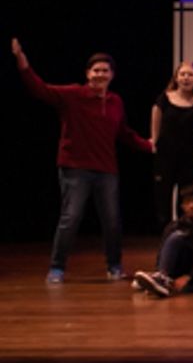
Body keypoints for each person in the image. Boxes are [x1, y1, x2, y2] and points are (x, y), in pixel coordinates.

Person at [15, 39, 153, 283]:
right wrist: (22, 62)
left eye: (105, 70)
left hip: (106, 168)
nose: (100, 74)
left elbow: (122, 132)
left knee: (112, 220)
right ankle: (57, 268)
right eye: (96, 70)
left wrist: (146, 144)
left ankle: (114, 267)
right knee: (71, 218)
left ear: (112, 75)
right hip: (75, 167)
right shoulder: (72, 95)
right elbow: (40, 89)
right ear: (87, 73)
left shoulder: (115, 101)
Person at [150, 61, 193, 235]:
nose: (186, 78)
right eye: (182, 74)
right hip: (165, 157)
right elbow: (156, 119)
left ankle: (184, 235)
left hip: (189, 158)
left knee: (186, 198)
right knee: (163, 200)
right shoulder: (164, 98)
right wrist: (154, 141)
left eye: (190, 74)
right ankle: (166, 237)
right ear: (176, 78)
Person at [132, 185, 193, 297]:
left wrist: (189, 276)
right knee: (176, 236)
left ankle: (165, 286)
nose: (192, 206)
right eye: (188, 202)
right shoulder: (175, 226)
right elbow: (162, 253)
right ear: (182, 206)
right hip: (176, 271)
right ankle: (161, 279)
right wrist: (162, 270)